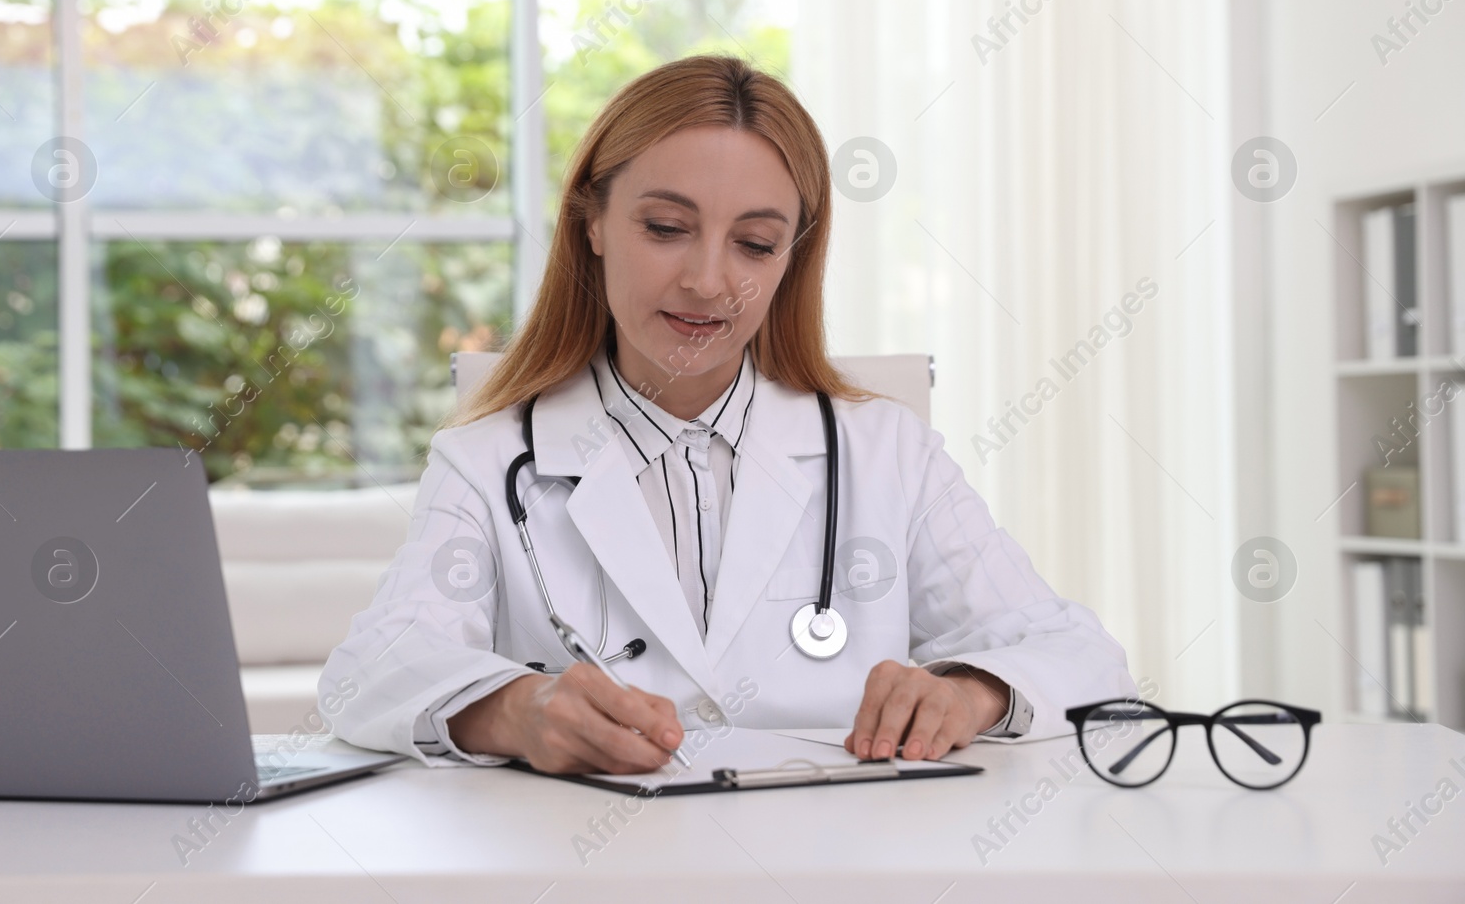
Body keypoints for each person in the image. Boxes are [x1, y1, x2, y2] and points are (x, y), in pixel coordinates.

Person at [321, 54, 1134, 774]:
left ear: (793, 258)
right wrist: (516, 712)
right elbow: (369, 670)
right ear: (593, 222)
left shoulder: (888, 451)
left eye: (754, 243)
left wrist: (973, 692)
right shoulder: (490, 458)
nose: (709, 282)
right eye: (667, 227)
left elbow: (1082, 656)